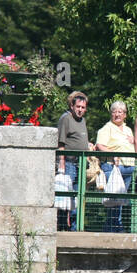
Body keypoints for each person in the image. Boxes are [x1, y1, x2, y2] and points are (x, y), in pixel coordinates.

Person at [95, 100, 136, 232]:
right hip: (113, 167)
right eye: (114, 112)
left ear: (125, 115)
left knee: (121, 200)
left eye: (120, 112)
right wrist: (113, 153)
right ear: (111, 114)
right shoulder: (107, 128)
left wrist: (134, 141)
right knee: (113, 200)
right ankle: (112, 228)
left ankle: (115, 226)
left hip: (128, 167)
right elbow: (100, 145)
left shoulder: (128, 129)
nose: (117, 114)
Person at [56, 91, 91, 231]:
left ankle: (75, 229)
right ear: (72, 106)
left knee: (78, 197)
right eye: (78, 107)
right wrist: (62, 162)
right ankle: (62, 227)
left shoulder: (83, 120)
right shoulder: (66, 118)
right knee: (65, 197)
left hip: (81, 163)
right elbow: (61, 142)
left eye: (83, 107)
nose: (80, 110)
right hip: (69, 163)